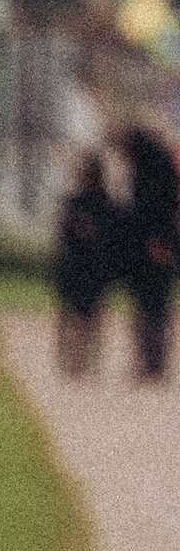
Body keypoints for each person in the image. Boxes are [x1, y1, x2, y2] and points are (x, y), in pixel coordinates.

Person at [52, 151, 121, 376]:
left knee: (85, 315)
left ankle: (81, 359)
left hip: (91, 267)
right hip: (80, 266)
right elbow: (65, 234)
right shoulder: (83, 203)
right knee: (84, 316)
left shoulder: (99, 204)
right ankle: (80, 358)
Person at [120, 117, 178, 383]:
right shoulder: (155, 165)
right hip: (153, 245)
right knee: (154, 307)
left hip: (153, 245)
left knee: (151, 307)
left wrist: (158, 241)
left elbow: (155, 210)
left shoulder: (150, 169)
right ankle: (152, 362)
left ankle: (152, 363)